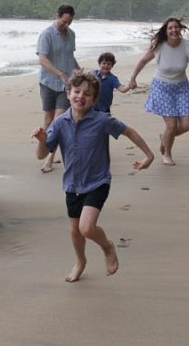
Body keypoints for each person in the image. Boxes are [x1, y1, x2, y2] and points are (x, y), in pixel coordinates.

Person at [32, 71, 154, 282]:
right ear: (68, 93)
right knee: (75, 231)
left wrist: (149, 155)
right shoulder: (60, 123)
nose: (81, 96)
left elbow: (129, 132)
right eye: (76, 91)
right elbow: (42, 154)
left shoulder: (101, 120)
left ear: (95, 99)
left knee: (86, 228)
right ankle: (80, 261)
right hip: (72, 184)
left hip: (98, 181)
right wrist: (42, 140)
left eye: (87, 94)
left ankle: (107, 247)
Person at [127, 17, 189, 166]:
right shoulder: (159, 46)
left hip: (181, 88)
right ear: (166, 32)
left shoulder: (188, 46)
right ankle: (167, 154)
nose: (174, 30)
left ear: (180, 30)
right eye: (170, 28)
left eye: (176, 27)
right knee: (172, 125)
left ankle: (165, 137)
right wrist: (133, 78)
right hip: (161, 87)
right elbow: (142, 61)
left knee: (186, 125)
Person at [36, 5, 80, 173]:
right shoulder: (46, 34)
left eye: (69, 22)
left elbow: (70, 56)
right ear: (57, 16)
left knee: (58, 120)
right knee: (47, 121)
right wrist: (60, 74)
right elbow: (43, 60)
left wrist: (78, 70)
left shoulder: (71, 35)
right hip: (48, 82)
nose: (66, 25)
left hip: (66, 85)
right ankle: (45, 148)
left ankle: (49, 159)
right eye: (64, 22)